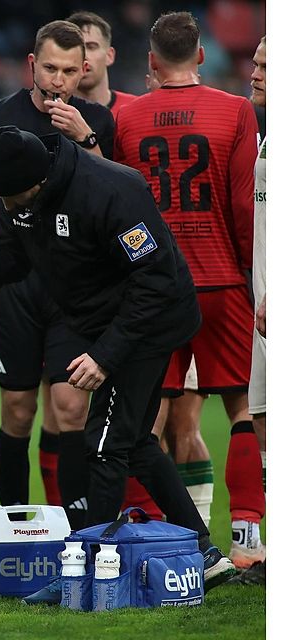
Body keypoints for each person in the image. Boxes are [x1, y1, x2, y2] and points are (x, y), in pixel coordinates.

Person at [0, 125, 238, 601]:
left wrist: (106, 356)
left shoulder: (113, 189)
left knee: (103, 443)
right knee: (131, 442)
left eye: (13, 199)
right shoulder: (22, 195)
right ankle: (203, 554)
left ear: (39, 182)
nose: (7, 208)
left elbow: (153, 282)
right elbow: (10, 254)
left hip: (153, 318)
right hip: (105, 319)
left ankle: (87, 571)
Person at [0, 20, 114, 531]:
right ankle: (18, 528)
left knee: (70, 407)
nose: (59, 81)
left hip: (75, 287)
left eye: (69, 71)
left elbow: (115, 191)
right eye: (51, 69)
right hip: (16, 283)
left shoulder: (97, 121)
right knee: (18, 410)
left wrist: (85, 140)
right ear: (31, 65)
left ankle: (80, 531)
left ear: (84, 71)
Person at [113, 11, 264, 569]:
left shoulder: (129, 118)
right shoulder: (237, 111)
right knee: (244, 406)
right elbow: (244, 204)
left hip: (154, 286)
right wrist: (254, 277)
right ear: (202, 56)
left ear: (151, 61)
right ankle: (247, 536)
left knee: (145, 414)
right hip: (223, 279)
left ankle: (154, 540)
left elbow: (123, 210)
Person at [67, 9, 166, 522]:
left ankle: (151, 524)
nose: (82, 56)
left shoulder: (129, 116)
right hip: (90, 288)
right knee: (66, 409)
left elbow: (125, 189)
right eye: (73, 45)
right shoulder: (42, 114)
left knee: (157, 418)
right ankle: (70, 519)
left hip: (142, 276)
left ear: (109, 55)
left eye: (90, 45)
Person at [231, 35, 266, 586]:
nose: (253, 71)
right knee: (262, 426)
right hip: (262, 311)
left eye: (267, 64)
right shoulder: (263, 138)